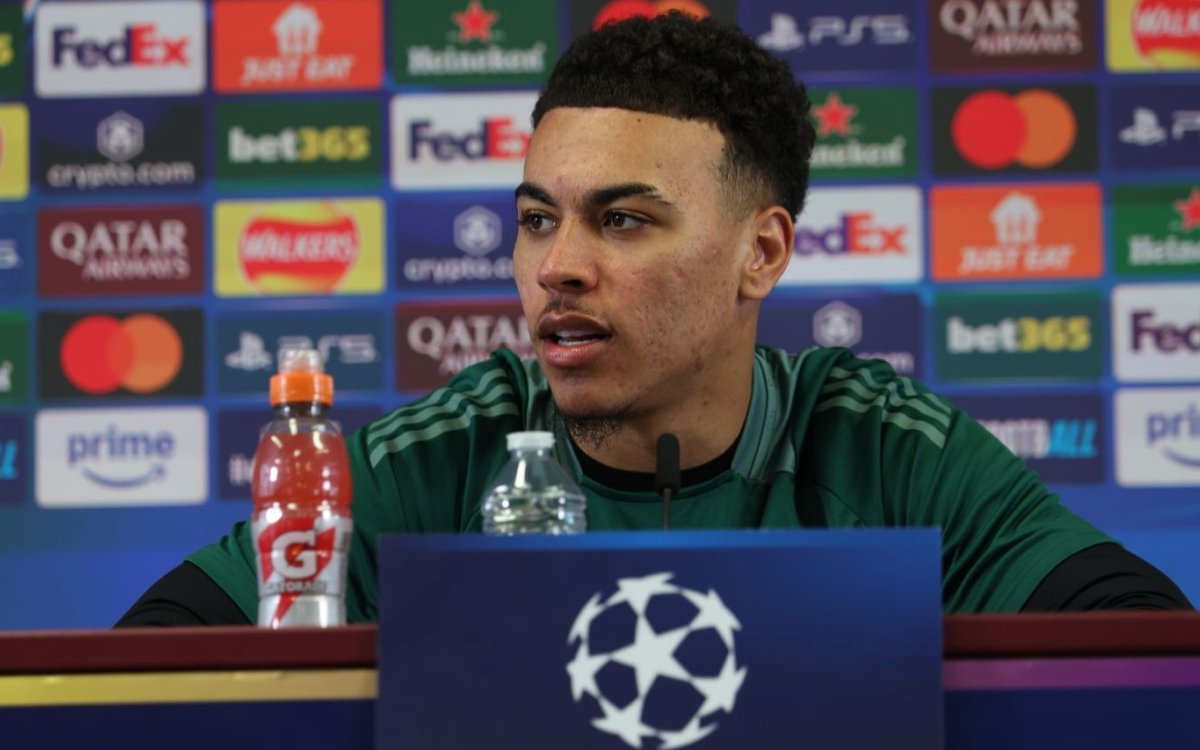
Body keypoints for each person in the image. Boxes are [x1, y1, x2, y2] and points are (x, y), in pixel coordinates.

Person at [119, 13, 1188, 626]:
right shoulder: (447, 454)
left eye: (623, 220)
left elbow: (1140, 650)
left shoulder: (880, 445)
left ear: (761, 253)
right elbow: (157, 669)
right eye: (537, 220)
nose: (559, 268)